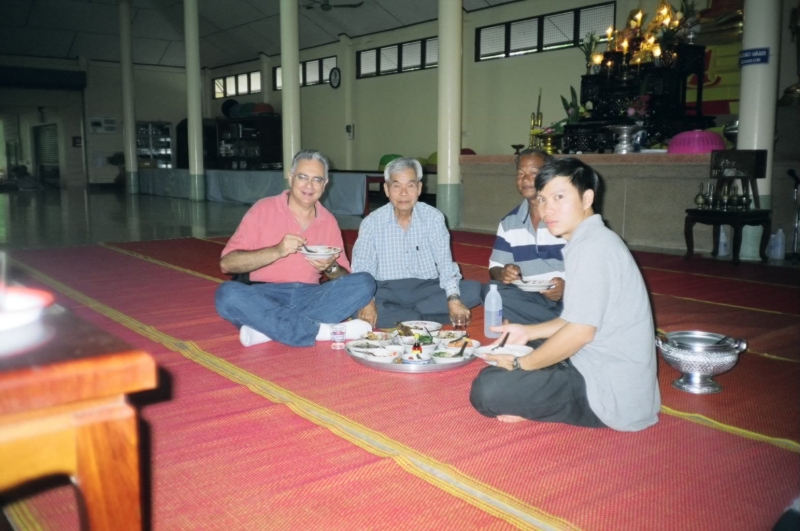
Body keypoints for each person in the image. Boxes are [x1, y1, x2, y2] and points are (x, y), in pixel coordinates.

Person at [470, 158, 660, 432]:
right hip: (591, 363)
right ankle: (535, 394)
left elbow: (581, 332)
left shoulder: (594, 248)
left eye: (559, 197)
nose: (549, 209)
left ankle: (540, 403)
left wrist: (520, 364)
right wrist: (528, 332)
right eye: (544, 199)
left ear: (587, 198)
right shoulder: (590, 240)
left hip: (607, 390)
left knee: (488, 389)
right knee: (517, 350)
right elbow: (576, 319)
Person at [215, 150, 376, 347]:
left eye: (317, 179)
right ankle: (322, 331)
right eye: (302, 177)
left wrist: (330, 267)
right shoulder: (263, 209)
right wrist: (277, 251)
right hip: (265, 295)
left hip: (310, 296)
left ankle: (268, 330)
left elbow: (345, 278)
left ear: (325, 185)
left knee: (365, 283)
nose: (309, 185)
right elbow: (227, 264)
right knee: (227, 294)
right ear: (291, 178)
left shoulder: (328, 221)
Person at [351, 157, 481, 329]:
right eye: (396, 185)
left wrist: (453, 299)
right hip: (385, 289)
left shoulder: (433, 218)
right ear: (386, 189)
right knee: (353, 301)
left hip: (426, 287)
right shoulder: (372, 222)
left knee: (474, 290)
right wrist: (368, 302)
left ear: (419, 188)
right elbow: (362, 269)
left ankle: (405, 317)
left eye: (410, 185)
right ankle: (423, 317)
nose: (404, 193)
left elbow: (444, 263)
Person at [484, 149, 566, 328]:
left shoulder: (567, 216)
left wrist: (566, 288)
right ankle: (558, 329)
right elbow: (495, 268)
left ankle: (547, 328)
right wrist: (504, 273)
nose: (526, 179)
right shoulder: (510, 222)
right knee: (492, 291)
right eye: (520, 173)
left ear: (550, 176)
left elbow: (595, 272)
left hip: (571, 297)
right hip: (532, 298)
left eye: (534, 173)